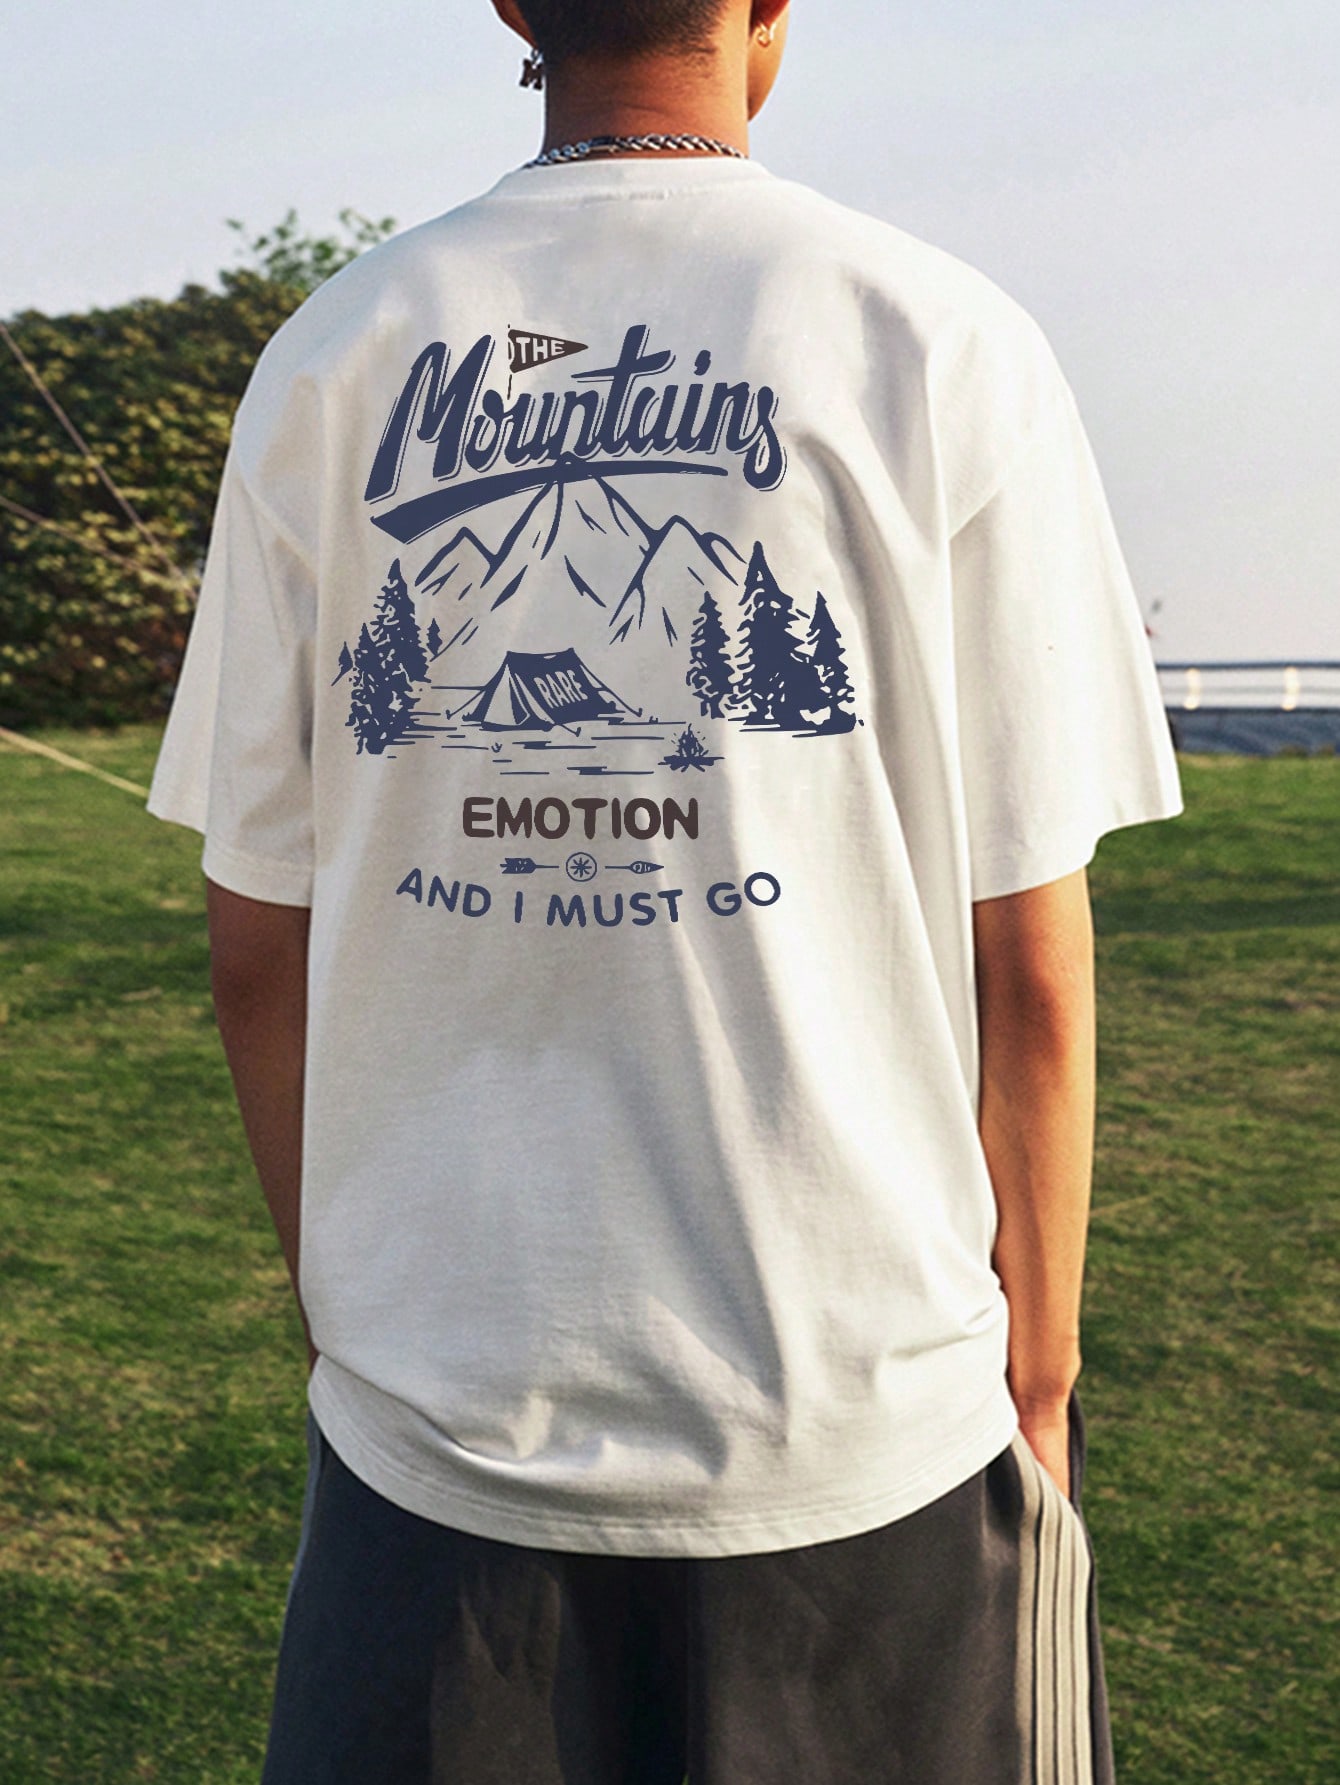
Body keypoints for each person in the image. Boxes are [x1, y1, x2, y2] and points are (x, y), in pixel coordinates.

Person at [147, 2, 1183, 1778]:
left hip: (439, 1433)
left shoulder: (336, 352)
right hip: (863, 1416)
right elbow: (1031, 962)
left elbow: (262, 944)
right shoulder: (939, 339)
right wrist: (1040, 1368)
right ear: (769, 6)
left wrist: (356, 1308)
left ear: (511, 4)